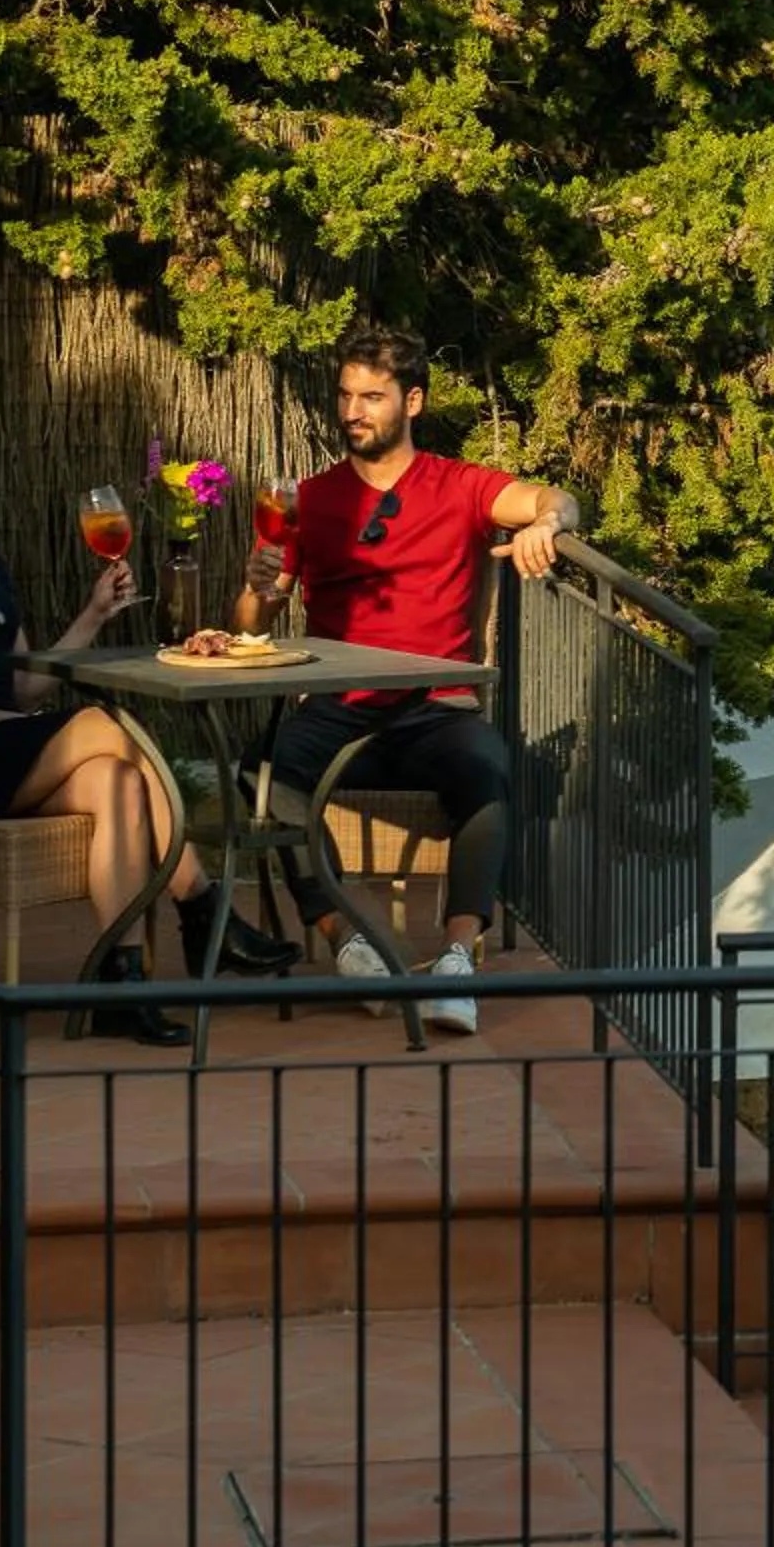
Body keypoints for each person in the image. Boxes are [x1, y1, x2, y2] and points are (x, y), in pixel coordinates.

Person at [0, 423, 300, 1045]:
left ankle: (117, 987)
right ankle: (203, 911)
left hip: (5, 750)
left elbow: (28, 687)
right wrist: (24, 731)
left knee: (114, 779)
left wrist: (92, 615)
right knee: (110, 724)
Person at [237, 324, 578, 1034]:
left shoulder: (460, 485)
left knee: (486, 767)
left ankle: (457, 961)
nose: (353, 411)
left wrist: (549, 522)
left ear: (412, 402)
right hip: (337, 707)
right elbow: (250, 622)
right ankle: (348, 941)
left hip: (435, 710)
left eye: (372, 396)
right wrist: (258, 587)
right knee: (261, 775)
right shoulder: (307, 498)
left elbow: (555, 498)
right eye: (345, 396)